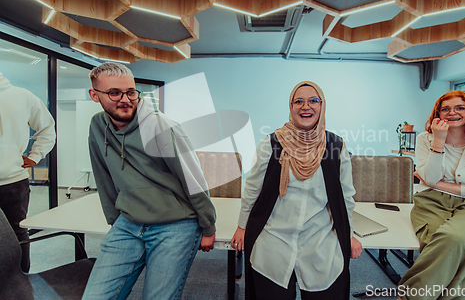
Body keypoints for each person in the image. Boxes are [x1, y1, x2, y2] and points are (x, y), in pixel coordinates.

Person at [82, 62, 216, 300]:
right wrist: (114, 220)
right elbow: (103, 176)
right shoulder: (97, 125)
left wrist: (208, 226)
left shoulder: (160, 126)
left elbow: (193, 179)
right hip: (128, 222)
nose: (126, 99)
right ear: (95, 95)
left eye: (131, 92)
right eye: (114, 93)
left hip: (176, 223)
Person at [231, 81, 362, 300]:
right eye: (298, 101)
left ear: (322, 106)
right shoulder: (272, 143)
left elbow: (345, 196)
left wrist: (349, 234)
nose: (305, 106)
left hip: (320, 237)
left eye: (313, 101)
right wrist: (242, 227)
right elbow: (252, 189)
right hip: (275, 236)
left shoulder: (335, 146)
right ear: (291, 107)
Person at [398, 91, 465, 300]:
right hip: (431, 202)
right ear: (438, 114)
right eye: (446, 109)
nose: (452, 112)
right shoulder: (426, 139)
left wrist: (440, 184)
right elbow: (431, 178)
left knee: (453, 238)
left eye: (460, 107)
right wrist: (439, 140)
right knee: (453, 247)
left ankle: (409, 296)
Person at [0, 72, 56, 273]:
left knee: (17, 233)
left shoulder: (23, 96)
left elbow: (47, 128)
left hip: (14, 182)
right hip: (15, 182)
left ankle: (21, 280)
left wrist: (36, 155)